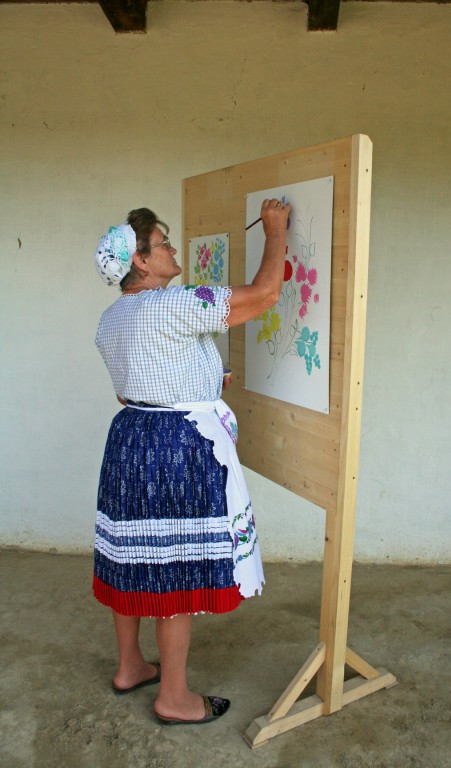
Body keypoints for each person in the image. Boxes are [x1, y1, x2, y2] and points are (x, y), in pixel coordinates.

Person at [93, 200, 290, 725]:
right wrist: (275, 232)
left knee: (134, 555)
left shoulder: (111, 320)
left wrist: (201, 381)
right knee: (173, 566)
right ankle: (174, 697)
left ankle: (131, 665)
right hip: (174, 449)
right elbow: (265, 295)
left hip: (130, 441)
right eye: (162, 244)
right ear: (141, 262)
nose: (173, 249)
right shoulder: (172, 303)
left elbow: (133, 390)